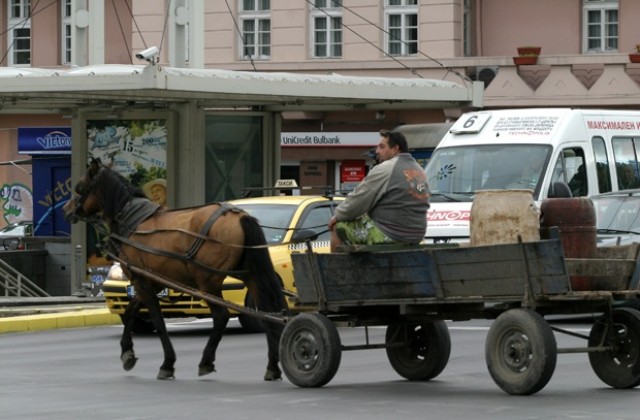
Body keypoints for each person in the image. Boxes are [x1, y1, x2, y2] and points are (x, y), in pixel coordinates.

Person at [328, 130, 430, 251]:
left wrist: (337, 216)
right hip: (417, 235)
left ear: (395, 148)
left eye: (382, 147)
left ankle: (336, 268)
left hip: (390, 234)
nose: (377, 151)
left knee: (339, 229)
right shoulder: (419, 170)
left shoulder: (386, 168)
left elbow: (358, 199)